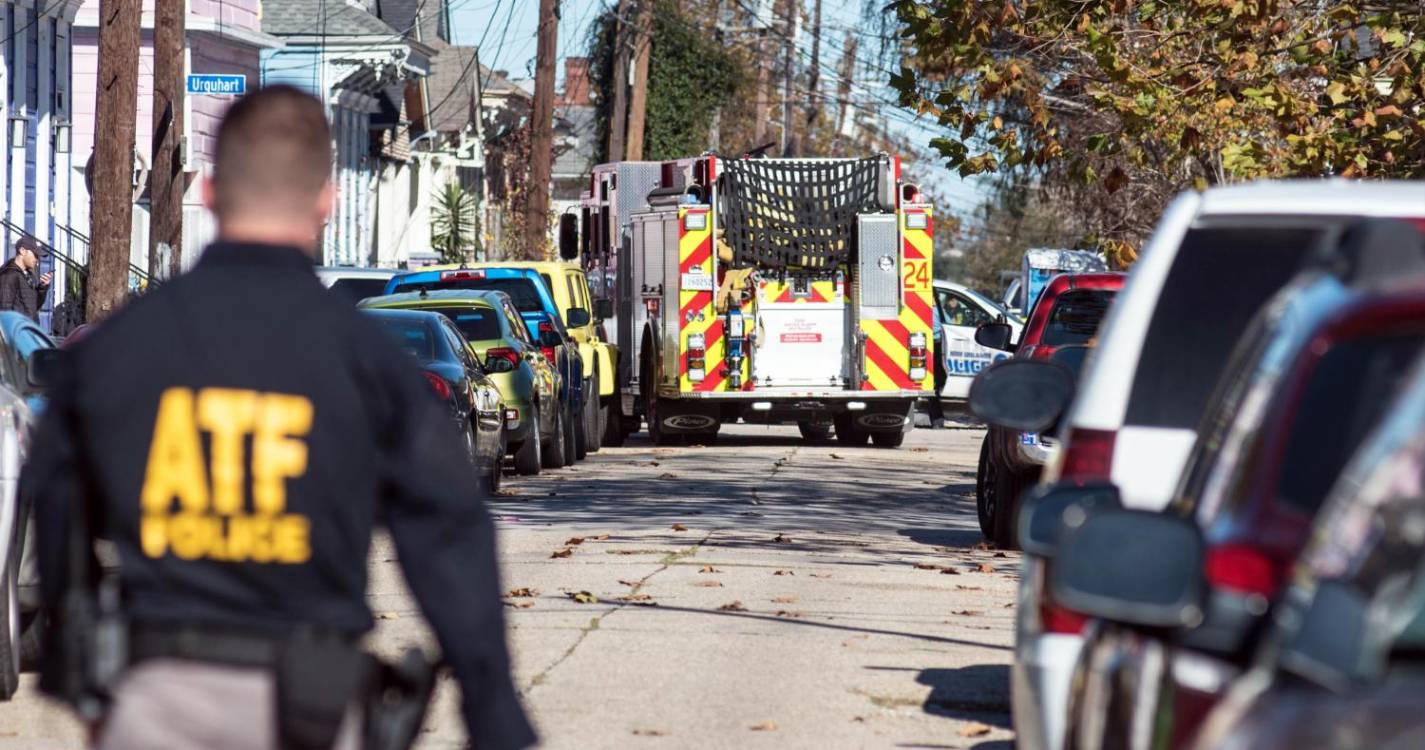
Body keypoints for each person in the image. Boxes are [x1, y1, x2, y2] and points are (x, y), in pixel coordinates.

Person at [25, 85, 536, 750]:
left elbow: (54, 503)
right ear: (327, 201)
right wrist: (492, 707)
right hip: (311, 702)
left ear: (207, 192)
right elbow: (447, 537)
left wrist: (76, 667)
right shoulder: (370, 365)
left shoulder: (118, 349)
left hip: (155, 694)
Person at [0, 236, 53, 321]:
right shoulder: (9, 275)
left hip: (28, 330)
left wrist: (43, 287)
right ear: (22, 251)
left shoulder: (29, 275)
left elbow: (33, 308)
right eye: (35, 255)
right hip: (17, 332)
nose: (37, 260)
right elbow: (4, 311)